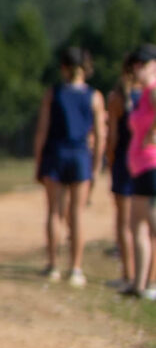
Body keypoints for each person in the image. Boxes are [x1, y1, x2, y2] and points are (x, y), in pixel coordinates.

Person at [33, 45, 104, 286]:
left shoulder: (53, 94)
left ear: (63, 68)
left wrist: (38, 160)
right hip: (80, 156)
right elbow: (101, 135)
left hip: (55, 154)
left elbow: (42, 130)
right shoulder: (94, 96)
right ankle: (75, 269)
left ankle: (53, 265)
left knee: (54, 212)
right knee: (77, 213)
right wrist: (96, 166)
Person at [117, 46, 156, 301]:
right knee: (137, 226)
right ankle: (139, 284)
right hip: (140, 167)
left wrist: (153, 133)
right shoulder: (141, 93)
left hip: (152, 165)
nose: (137, 69)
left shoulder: (153, 90)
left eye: (142, 63)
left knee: (151, 226)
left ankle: (148, 284)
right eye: (134, 65)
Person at [105, 51, 143, 290]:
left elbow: (113, 137)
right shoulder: (150, 95)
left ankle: (128, 274)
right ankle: (147, 277)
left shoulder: (117, 97)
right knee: (146, 224)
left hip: (124, 163)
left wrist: (110, 160)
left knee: (124, 222)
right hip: (147, 163)